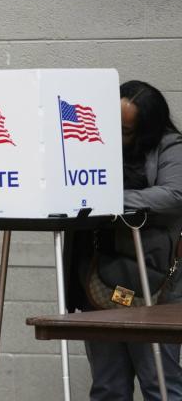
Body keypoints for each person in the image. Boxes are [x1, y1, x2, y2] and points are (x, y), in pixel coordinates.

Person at [66, 80, 182, 400]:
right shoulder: (90, 142)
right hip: (97, 277)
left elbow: (174, 194)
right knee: (107, 387)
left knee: (160, 382)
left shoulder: (169, 147)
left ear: (146, 131)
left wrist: (111, 198)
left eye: (127, 132)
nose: (117, 138)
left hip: (153, 278)